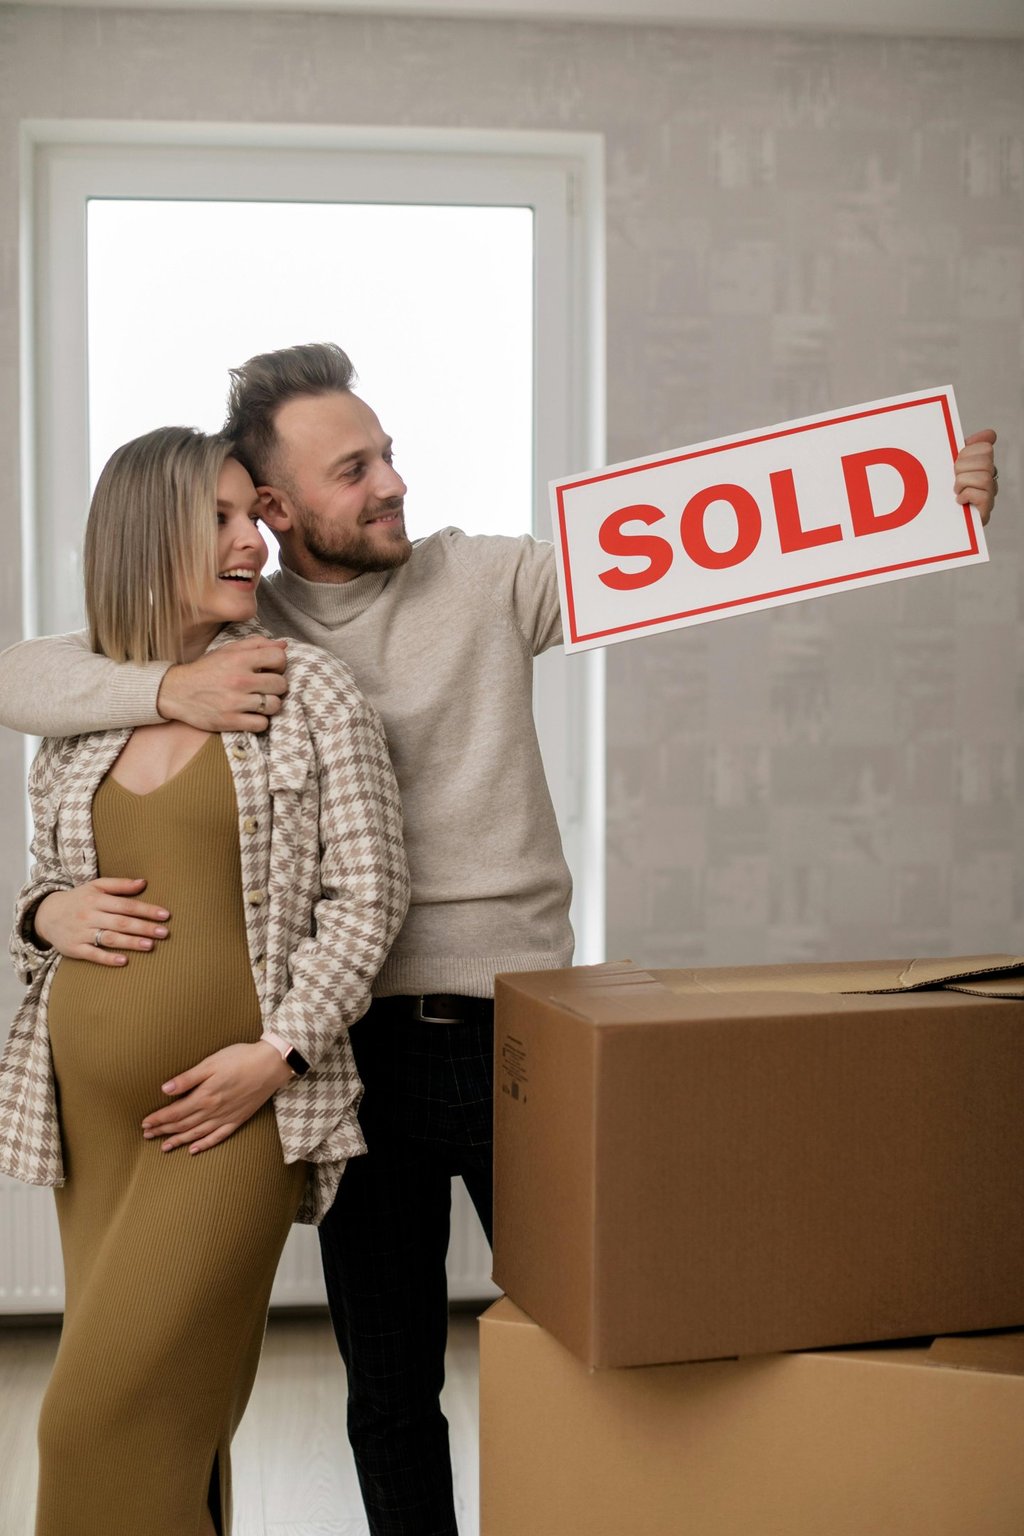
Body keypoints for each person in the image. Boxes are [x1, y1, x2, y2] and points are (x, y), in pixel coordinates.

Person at [0, 348, 999, 1536]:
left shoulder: (481, 580)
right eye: (354, 468)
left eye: (389, 454)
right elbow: (38, 673)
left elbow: (703, 555)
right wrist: (162, 704)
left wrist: (907, 498)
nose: (391, 484)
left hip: (500, 1033)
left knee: (607, 1334)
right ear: (273, 508)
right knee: (388, 1383)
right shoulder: (232, 616)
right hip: (342, 1043)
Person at [0, 424, 409, 1536]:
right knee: (174, 1423)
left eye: (254, 517)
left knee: (88, 1420)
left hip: (232, 1111)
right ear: (144, 538)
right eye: (220, 520)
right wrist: (48, 910)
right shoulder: (90, 713)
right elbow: (41, 883)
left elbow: (369, 899)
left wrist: (275, 1059)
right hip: (90, 1122)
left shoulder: (307, 690)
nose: (252, 542)